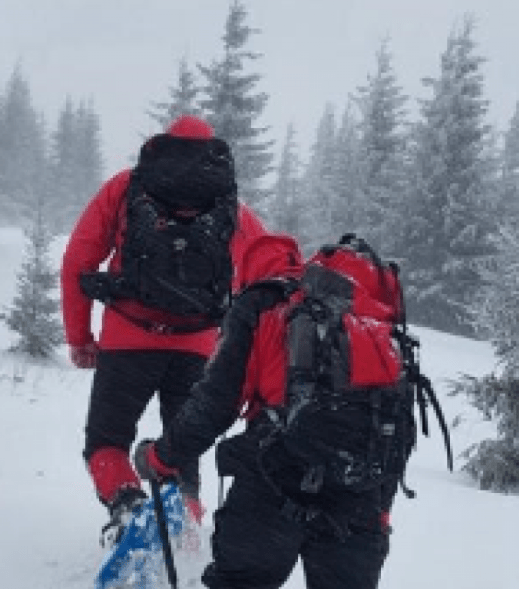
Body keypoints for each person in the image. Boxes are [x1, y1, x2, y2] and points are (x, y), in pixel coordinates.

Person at [133, 233, 396, 589]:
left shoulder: (261, 304)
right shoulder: (373, 323)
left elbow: (214, 404)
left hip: (271, 487)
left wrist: (161, 458)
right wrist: (380, 509)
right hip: (357, 502)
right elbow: (393, 427)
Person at [60, 114, 266, 544]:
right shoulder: (231, 207)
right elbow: (265, 283)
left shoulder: (126, 189)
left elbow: (78, 261)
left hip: (127, 338)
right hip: (199, 348)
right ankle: (185, 521)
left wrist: (80, 338)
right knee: (181, 448)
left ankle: (128, 505)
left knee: (107, 441)